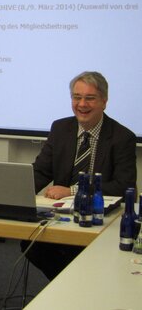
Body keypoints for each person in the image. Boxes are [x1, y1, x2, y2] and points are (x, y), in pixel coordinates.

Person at [23, 71, 137, 280]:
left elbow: (124, 186)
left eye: (89, 98)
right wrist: (16, 190)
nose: (82, 104)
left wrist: (73, 190)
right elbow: (41, 171)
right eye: (77, 97)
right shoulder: (60, 128)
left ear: (104, 101)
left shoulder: (122, 137)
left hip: (99, 221)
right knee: (29, 243)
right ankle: (71, 285)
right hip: (60, 218)